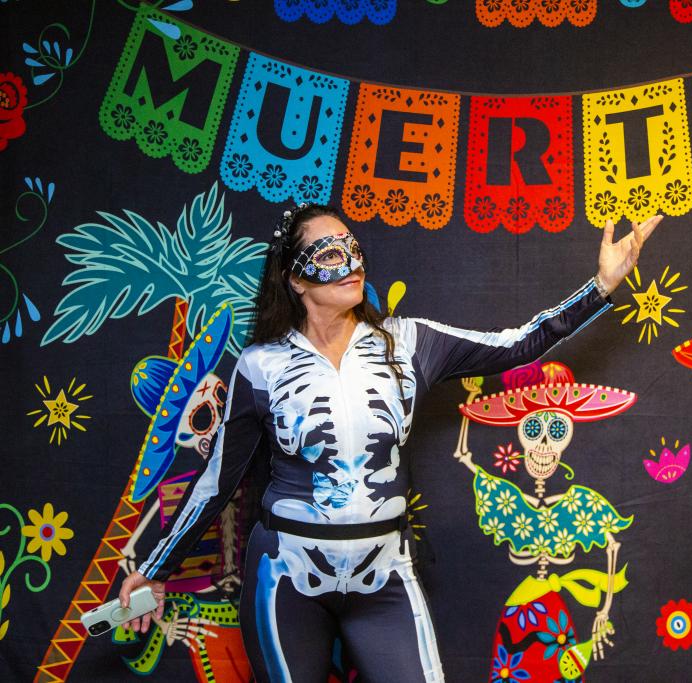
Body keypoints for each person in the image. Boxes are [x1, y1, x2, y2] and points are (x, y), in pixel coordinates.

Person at [117, 203, 662, 682]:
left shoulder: (408, 343)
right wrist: (155, 569)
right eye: (329, 255)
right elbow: (218, 480)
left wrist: (602, 287)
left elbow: (515, 346)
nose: (350, 264)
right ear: (295, 279)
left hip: (384, 571)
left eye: (353, 249)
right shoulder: (262, 366)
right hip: (287, 575)